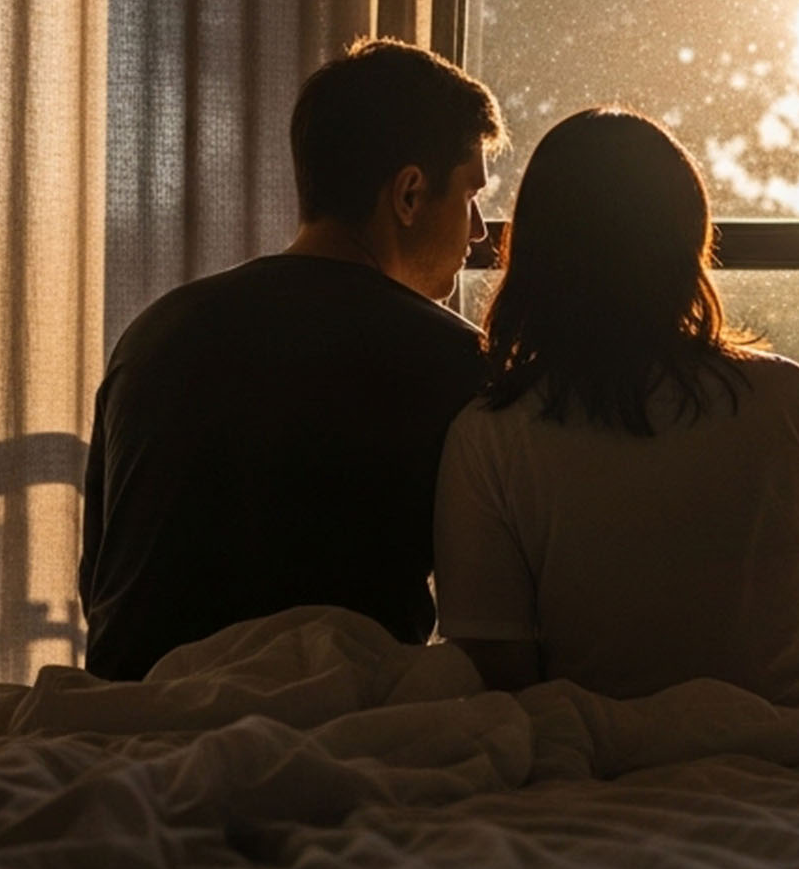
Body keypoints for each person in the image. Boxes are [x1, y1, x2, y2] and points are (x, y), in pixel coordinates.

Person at [79, 40, 502, 680]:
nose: (477, 233)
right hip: (324, 728)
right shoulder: (455, 362)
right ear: (409, 194)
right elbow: (490, 623)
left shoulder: (153, 336)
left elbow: (101, 589)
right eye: (470, 195)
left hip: (124, 724)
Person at [434, 108, 799, 706]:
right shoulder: (788, 397)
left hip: (609, 760)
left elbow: (498, 666)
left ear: (535, 251)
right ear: (687, 237)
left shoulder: (490, 436)